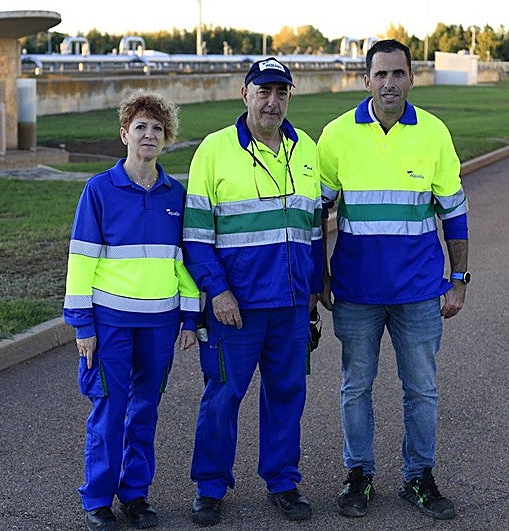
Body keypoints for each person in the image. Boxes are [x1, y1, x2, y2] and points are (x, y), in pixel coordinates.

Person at [317, 39, 468, 521]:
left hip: (420, 291)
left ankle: (418, 477)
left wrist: (459, 277)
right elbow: (316, 213)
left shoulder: (434, 133)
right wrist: (321, 274)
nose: (389, 83)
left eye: (398, 74)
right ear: (366, 81)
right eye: (380, 75)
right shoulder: (337, 136)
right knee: (355, 386)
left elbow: (454, 211)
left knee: (421, 388)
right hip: (356, 291)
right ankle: (358, 474)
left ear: (410, 78)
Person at [182, 57, 323, 525]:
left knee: (287, 394)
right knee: (222, 396)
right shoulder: (215, 150)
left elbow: (314, 228)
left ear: (289, 97)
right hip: (234, 308)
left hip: (289, 305)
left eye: (282, 91)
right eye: (263, 90)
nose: (272, 100)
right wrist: (218, 293)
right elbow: (197, 236)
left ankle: (283, 482)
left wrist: (312, 290)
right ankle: (210, 487)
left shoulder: (306, 148)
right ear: (245, 94)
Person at [63, 88, 200, 531]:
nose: (149, 134)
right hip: (110, 324)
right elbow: (81, 262)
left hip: (159, 326)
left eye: (157, 128)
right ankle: (98, 498)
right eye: (140, 126)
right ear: (124, 134)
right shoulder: (99, 191)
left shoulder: (175, 195)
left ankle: (136, 495)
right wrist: (83, 324)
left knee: (145, 411)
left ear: (166, 139)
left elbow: (184, 262)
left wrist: (189, 316)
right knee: (109, 408)